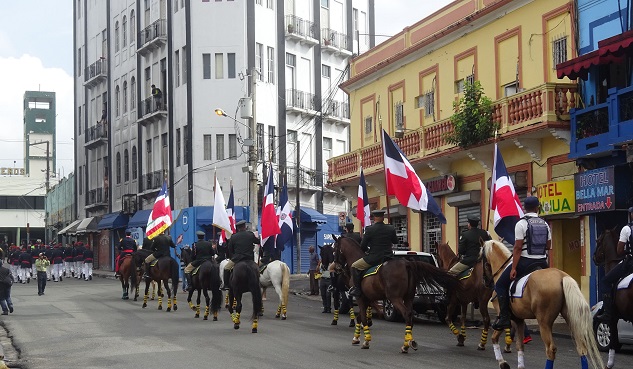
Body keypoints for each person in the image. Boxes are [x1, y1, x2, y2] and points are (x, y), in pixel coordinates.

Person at [492, 196, 551, 331]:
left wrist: (513, 268)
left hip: (525, 262)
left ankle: (505, 318)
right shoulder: (545, 224)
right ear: (538, 208)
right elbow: (548, 245)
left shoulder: (521, 224)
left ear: (525, 208)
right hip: (542, 263)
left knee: (500, 284)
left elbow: (518, 248)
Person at [348, 210, 398, 298]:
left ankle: (357, 289)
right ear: (383, 217)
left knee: (355, 266)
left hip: (374, 258)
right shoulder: (390, 228)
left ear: (374, 218)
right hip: (389, 257)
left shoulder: (369, 229)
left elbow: (363, 246)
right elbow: (395, 241)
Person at [595, 207, 633, 322]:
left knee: (605, 281)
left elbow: (619, 251)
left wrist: (627, 251)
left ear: (631, 215)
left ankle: (608, 312)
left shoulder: (627, 229)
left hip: (630, 263)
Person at [223, 220, 260, 290]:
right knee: (258, 269)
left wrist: (233, 256)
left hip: (237, 259)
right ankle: (258, 283)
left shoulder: (233, 237)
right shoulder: (250, 234)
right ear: (245, 227)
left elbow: (230, 249)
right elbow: (257, 242)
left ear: (238, 228)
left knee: (226, 268)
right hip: (249, 258)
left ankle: (226, 285)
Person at [319, 243, 335, 313]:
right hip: (323, 278)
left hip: (329, 279)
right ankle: (325, 307)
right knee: (323, 294)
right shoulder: (322, 263)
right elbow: (318, 269)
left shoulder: (332, 263)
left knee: (328, 295)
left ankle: (328, 308)